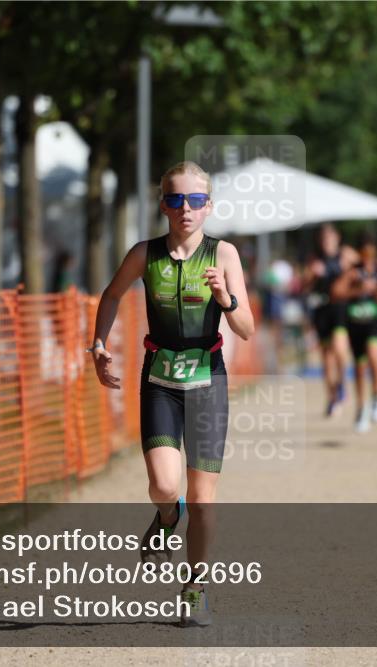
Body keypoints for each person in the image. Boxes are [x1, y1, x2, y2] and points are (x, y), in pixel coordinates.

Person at [89, 161, 254, 627]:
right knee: (164, 486)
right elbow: (111, 295)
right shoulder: (145, 254)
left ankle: (196, 589)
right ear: (163, 203)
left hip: (208, 382)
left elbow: (247, 329)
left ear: (209, 207)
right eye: (176, 199)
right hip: (160, 379)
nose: (186, 209)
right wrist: (99, 345)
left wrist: (227, 299)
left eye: (196, 200)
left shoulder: (224, 255)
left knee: (204, 500)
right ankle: (166, 516)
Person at [331, 232, 377, 433]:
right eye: (363, 252)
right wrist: (357, 289)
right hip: (355, 322)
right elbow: (336, 292)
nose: (367, 256)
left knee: (374, 355)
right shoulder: (353, 272)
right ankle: (361, 408)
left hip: (374, 319)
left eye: (370, 252)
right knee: (359, 367)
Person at [304, 224, 358, 417]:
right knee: (326, 358)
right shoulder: (315, 258)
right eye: (323, 239)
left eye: (329, 238)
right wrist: (312, 274)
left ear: (337, 238)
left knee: (340, 350)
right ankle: (332, 397)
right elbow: (304, 286)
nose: (326, 242)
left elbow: (364, 269)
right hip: (321, 310)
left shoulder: (346, 254)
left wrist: (349, 272)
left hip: (340, 309)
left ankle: (342, 384)